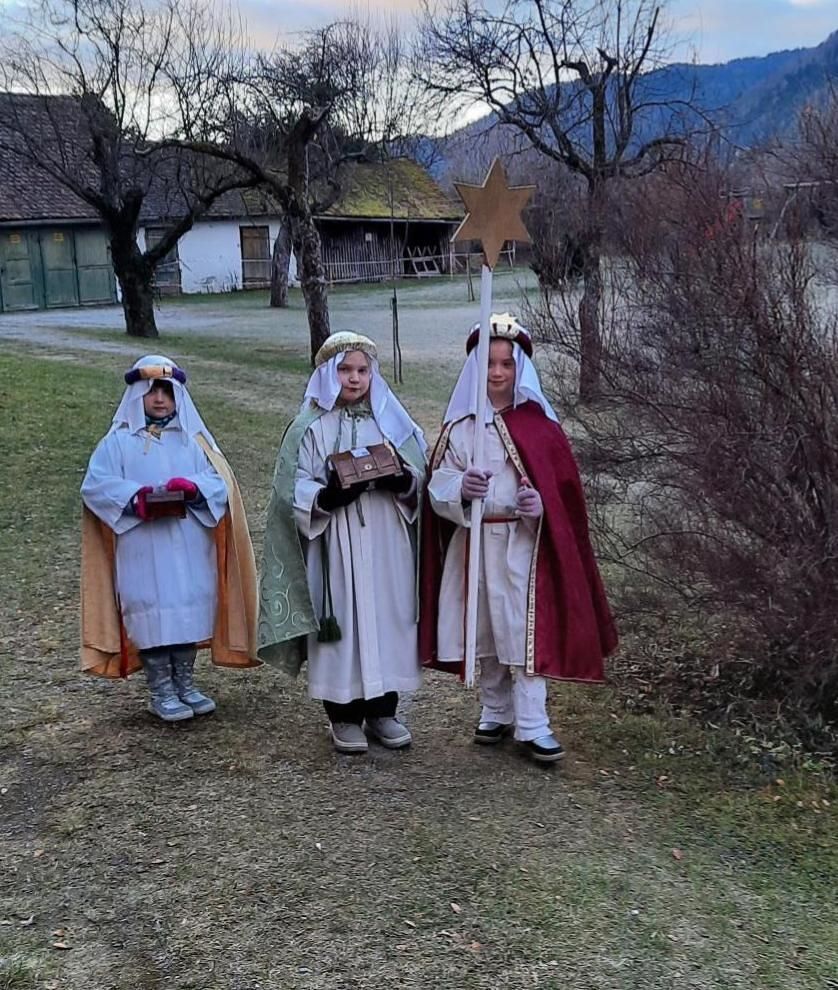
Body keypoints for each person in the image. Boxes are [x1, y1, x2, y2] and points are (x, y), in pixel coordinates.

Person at [420, 314, 617, 763]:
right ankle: (496, 710)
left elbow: (561, 499)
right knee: (484, 630)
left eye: (506, 364)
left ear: (519, 368)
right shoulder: (461, 427)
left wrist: (538, 507)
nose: (497, 372)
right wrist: (460, 488)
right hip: (473, 544)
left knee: (522, 631)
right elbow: (438, 485)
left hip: (522, 546)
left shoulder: (540, 428)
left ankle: (533, 723)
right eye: (489, 363)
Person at [258, 331, 427, 755]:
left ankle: (384, 710)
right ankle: (343, 715)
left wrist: (403, 481)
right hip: (335, 542)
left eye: (362, 370)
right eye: (345, 370)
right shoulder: (310, 427)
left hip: (386, 540)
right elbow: (290, 487)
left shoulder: (390, 420)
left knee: (386, 618)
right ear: (327, 375)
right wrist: (326, 497)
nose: (354, 378)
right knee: (343, 623)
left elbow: (421, 471)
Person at [80, 355, 259, 721]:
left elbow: (221, 482)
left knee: (186, 611)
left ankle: (185, 683)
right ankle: (161, 689)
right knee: (151, 614)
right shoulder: (118, 443)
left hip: (188, 545)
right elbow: (95, 486)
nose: (159, 399)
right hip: (142, 549)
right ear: (137, 395)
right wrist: (135, 498)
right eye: (151, 391)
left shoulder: (193, 442)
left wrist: (193, 489)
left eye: (167, 391)